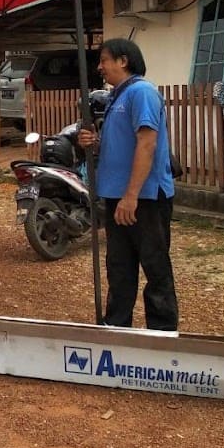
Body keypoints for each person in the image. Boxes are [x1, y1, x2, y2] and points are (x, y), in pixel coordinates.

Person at [77, 39, 178, 330]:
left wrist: (131, 196)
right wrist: (93, 142)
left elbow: (147, 143)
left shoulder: (142, 92)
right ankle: (117, 327)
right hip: (117, 197)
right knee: (119, 269)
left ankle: (162, 334)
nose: (100, 67)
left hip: (143, 199)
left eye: (104, 60)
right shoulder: (116, 98)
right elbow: (121, 145)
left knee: (155, 267)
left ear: (123, 61)